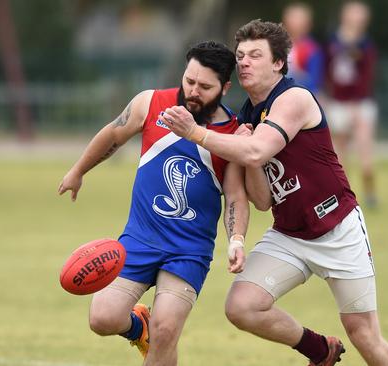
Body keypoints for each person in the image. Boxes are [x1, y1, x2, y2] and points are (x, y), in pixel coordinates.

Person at [161, 20, 388, 366]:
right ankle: (319, 349)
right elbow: (262, 200)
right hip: (290, 233)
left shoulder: (294, 98)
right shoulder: (247, 115)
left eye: (255, 55)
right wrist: (246, 153)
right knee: (241, 307)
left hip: (338, 228)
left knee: (363, 333)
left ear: (278, 63)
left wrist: (197, 134)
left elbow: (257, 151)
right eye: (240, 55)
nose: (243, 61)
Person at [58, 41, 249, 366]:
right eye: (189, 80)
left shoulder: (232, 135)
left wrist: (237, 240)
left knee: (166, 331)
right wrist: (79, 170)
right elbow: (114, 134)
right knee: (102, 319)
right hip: (139, 240)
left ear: (224, 87)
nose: (193, 91)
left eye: (204, 87)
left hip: (188, 250)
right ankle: (138, 326)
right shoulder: (152, 102)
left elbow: (235, 197)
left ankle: (153, 328)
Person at [324, 0, 379, 208]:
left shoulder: (366, 45)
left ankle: (370, 193)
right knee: (340, 153)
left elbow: (367, 76)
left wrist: (357, 103)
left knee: (365, 149)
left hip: (361, 103)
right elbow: (327, 71)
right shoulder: (333, 41)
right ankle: (345, 195)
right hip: (338, 102)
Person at [282, 2, 323, 94]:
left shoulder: (312, 49)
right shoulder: (276, 45)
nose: (295, 22)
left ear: (308, 24)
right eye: (293, 17)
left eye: (299, 18)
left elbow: (314, 80)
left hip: (302, 95)